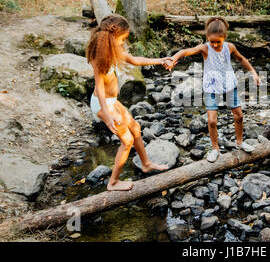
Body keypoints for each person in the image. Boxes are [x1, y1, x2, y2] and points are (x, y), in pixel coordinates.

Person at [86, 14, 171, 191]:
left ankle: (146, 163)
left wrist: (161, 60)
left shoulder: (114, 50)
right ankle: (113, 182)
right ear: (112, 38)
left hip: (112, 101)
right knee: (127, 141)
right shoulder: (99, 58)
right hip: (103, 104)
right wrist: (107, 114)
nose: (124, 43)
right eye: (123, 39)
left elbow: (135, 60)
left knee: (135, 128)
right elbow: (100, 88)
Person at [167, 17, 261, 162]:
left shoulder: (230, 47)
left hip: (229, 84)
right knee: (211, 121)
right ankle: (215, 149)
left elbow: (241, 59)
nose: (215, 44)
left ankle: (240, 142)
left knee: (239, 116)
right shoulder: (205, 48)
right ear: (207, 38)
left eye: (219, 41)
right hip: (211, 86)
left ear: (224, 38)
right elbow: (186, 51)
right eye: (212, 41)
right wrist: (173, 58)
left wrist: (253, 72)